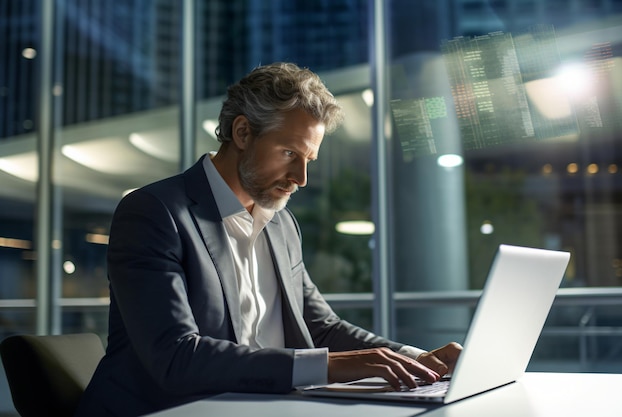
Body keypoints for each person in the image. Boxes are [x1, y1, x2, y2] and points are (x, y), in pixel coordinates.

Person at [75, 62, 462, 417]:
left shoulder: (281, 224)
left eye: (308, 159)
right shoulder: (154, 212)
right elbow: (176, 358)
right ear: (243, 132)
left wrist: (416, 359)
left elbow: (321, 327)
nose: (301, 177)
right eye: (289, 153)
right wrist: (328, 366)